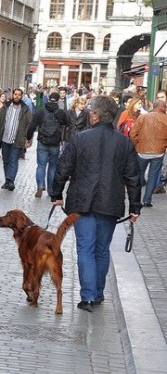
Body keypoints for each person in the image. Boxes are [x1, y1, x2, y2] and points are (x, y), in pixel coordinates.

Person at [50, 95, 141, 311]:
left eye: (91, 112)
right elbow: (133, 177)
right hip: (110, 203)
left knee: (86, 249)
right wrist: (135, 207)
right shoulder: (124, 142)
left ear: (96, 116)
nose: (90, 115)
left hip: (82, 202)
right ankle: (97, 293)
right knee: (101, 250)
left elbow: (63, 168)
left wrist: (57, 193)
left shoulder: (80, 139)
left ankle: (89, 296)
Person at [26, 92, 69, 198]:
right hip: (55, 142)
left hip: (42, 141)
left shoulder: (40, 112)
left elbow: (32, 126)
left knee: (41, 166)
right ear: (58, 100)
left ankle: (40, 186)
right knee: (53, 167)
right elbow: (68, 125)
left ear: (49, 99)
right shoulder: (61, 113)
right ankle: (51, 189)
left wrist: (28, 138)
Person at [129, 99, 167, 208]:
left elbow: (133, 134)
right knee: (153, 176)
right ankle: (147, 200)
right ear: (163, 108)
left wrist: (136, 145)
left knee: (138, 175)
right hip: (158, 151)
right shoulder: (165, 119)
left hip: (142, 150)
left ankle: (136, 199)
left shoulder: (143, 117)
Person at [0, 88, 33, 190]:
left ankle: (11, 180)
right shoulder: (6, 107)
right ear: (12, 95)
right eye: (15, 94)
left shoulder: (25, 109)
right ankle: (7, 181)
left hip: (17, 139)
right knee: (6, 160)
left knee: (13, 160)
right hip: (4, 138)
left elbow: (29, 124)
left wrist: (28, 138)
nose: (17, 96)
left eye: (19, 95)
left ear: (21, 96)